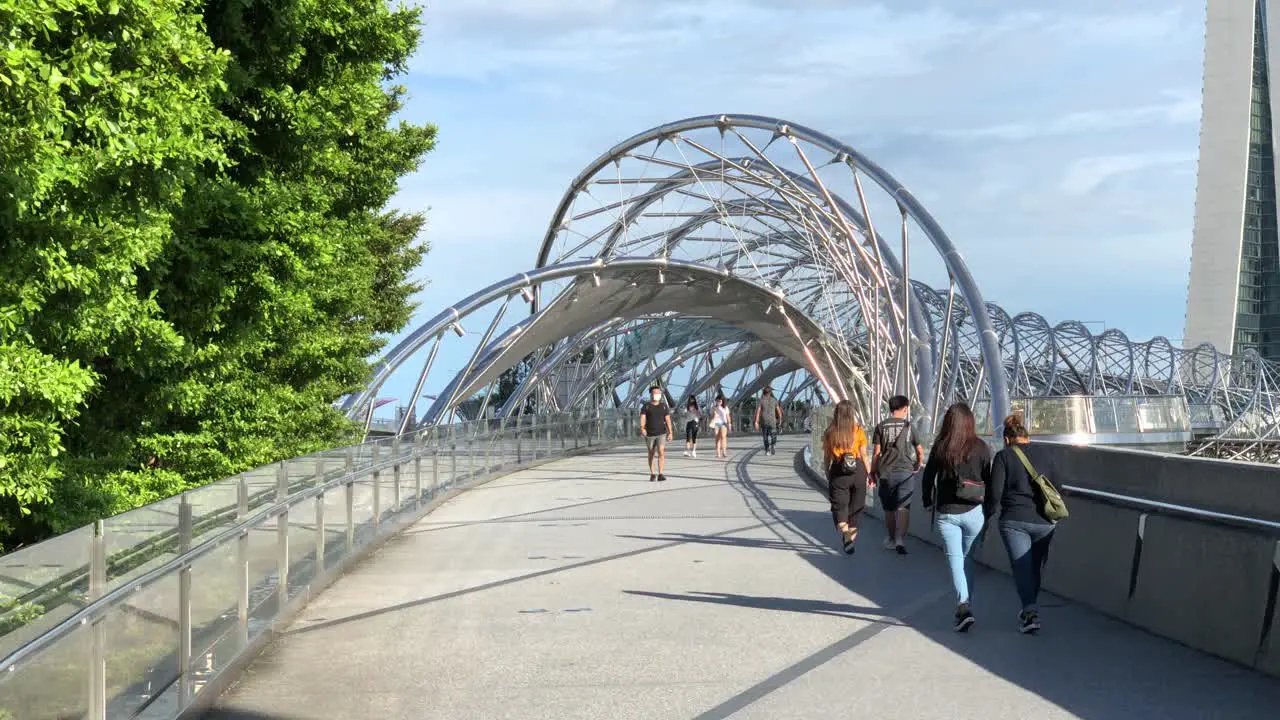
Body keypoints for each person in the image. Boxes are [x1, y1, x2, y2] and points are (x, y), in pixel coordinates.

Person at [987, 413, 1066, 634]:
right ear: (1027, 436)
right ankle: (1029, 608)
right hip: (1044, 522)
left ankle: (1030, 612)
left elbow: (995, 492)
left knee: (1021, 567)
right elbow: (1058, 486)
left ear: (1006, 439)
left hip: (1014, 520)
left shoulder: (1003, 456)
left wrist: (989, 514)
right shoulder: (1045, 453)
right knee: (1033, 567)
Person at [922, 402, 993, 632]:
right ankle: (965, 606)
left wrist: (926, 499)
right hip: (974, 512)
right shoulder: (982, 447)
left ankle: (963, 605)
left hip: (947, 513)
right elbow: (988, 480)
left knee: (955, 561)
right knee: (967, 559)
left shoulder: (942, 447)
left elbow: (927, 477)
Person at [871, 395, 923, 555]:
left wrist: (873, 472)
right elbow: (919, 450)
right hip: (906, 472)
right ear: (905, 408)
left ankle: (892, 538)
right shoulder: (909, 427)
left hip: (886, 473)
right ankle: (901, 540)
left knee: (889, 508)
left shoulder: (880, 427)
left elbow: (876, 453)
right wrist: (918, 464)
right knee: (903, 508)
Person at [822, 400, 873, 555]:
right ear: (852, 414)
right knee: (856, 510)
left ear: (836, 414)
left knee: (840, 508)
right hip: (858, 470)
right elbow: (864, 454)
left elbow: (826, 456)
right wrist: (870, 473)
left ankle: (846, 536)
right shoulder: (858, 430)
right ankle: (850, 540)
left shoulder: (830, 432)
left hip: (838, 471)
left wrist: (827, 471)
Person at [639, 385, 674, 482]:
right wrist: (642, 428)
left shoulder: (663, 406)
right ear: (651, 394)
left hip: (661, 433)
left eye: (658, 393)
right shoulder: (646, 406)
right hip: (650, 433)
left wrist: (670, 432)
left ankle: (661, 473)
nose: (657, 395)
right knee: (651, 453)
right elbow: (642, 418)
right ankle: (652, 473)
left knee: (661, 452)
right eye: (655, 393)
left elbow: (667, 419)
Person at [754, 385, 783, 455]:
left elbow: (758, 412)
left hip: (764, 421)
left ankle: (767, 450)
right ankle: (773, 445)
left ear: (763, 392)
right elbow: (779, 411)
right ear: (770, 392)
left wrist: (756, 422)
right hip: (772, 421)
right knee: (773, 434)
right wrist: (780, 419)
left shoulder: (761, 401)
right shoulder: (774, 400)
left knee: (765, 436)